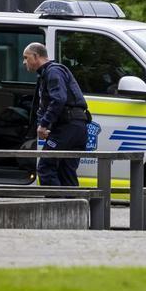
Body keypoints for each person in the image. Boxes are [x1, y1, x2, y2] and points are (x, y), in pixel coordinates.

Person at [23, 42, 91, 185]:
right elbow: (46, 104)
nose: (24, 62)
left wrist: (44, 124)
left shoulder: (53, 72)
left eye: (26, 57)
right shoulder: (47, 74)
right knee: (66, 171)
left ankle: (55, 206)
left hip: (68, 126)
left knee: (45, 167)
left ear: (36, 56)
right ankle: (73, 206)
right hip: (77, 126)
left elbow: (59, 99)